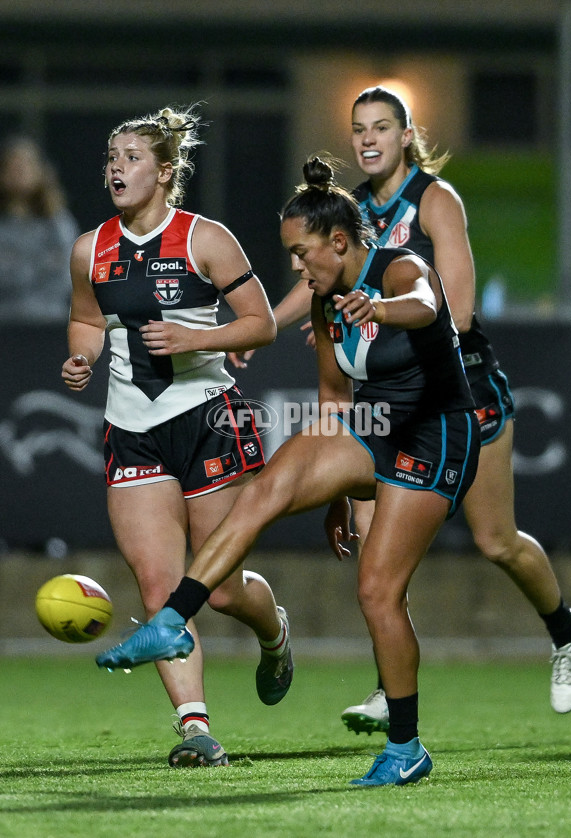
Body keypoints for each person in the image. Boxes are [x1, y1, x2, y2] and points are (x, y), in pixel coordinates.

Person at [95, 155, 481, 788]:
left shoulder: (397, 267)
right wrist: (332, 492)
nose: (297, 269)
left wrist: (379, 309)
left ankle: (407, 746)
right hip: (373, 422)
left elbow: (425, 304)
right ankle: (171, 622)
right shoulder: (330, 302)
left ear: (337, 241)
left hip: (436, 432)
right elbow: (333, 400)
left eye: (303, 255)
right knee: (269, 485)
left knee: (377, 590)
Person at [235, 85, 571, 731]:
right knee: (376, 556)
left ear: (406, 135)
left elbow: (455, 309)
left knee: (496, 540)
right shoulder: (349, 213)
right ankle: (387, 689)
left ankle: (565, 632)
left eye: (381, 127)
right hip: (391, 402)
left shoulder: (435, 199)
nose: (368, 138)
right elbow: (310, 287)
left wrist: (375, 317)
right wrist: (258, 330)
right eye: (358, 128)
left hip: (461, 388)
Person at [61, 105, 293, 769]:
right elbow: (85, 320)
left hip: (206, 417)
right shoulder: (90, 249)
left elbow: (261, 324)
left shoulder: (205, 239)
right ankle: (196, 729)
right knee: (159, 582)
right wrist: (82, 356)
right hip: (131, 426)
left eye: (131, 157)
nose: (116, 168)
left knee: (218, 589)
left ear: (164, 172)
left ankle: (274, 631)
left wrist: (199, 337)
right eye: (111, 157)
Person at [0, 134, 79, 323]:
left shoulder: (59, 224)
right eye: (12, 166)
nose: (19, 172)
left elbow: (66, 276)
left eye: (26, 165)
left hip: (48, 323)